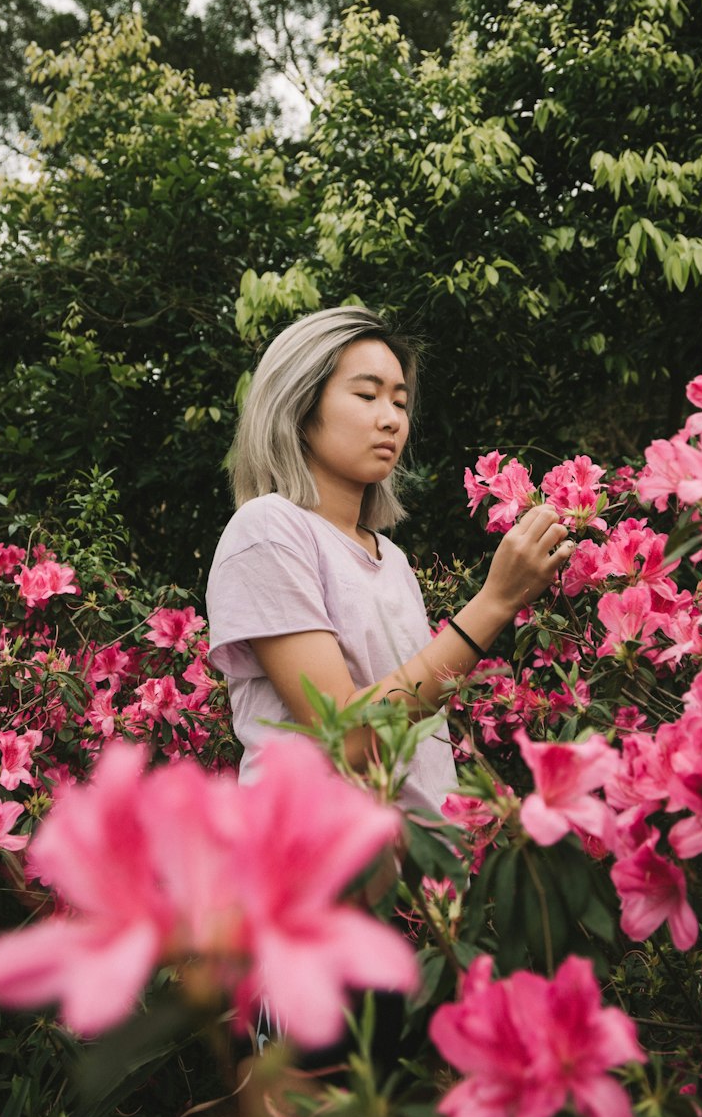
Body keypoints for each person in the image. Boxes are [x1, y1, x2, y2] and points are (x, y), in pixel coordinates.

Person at [206, 305, 573, 815]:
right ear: (299, 405)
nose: (391, 419)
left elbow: (414, 733)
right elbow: (349, 738)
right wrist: (496, 600)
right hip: (320, 869)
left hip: (421, 880)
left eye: (400, 402)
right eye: (366, 395)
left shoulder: (391, 559)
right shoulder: (269, 530)